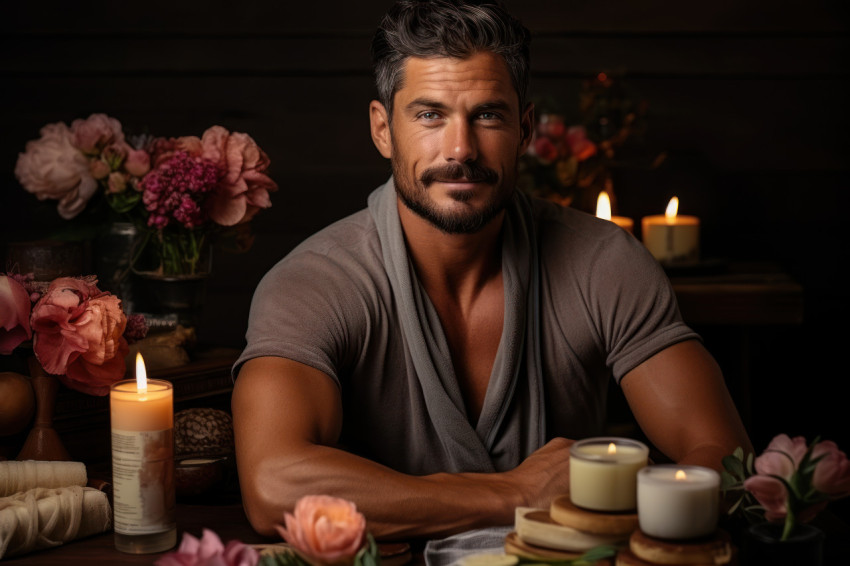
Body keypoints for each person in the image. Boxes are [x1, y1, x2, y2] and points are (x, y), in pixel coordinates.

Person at [231, 0, 751, 540]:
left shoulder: (604, 262)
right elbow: (273, 486)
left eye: (488, 115)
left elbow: (725, 456)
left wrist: (628, 512)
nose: (461, 149)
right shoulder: (313, 283)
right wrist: (517, 495)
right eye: (430, 115)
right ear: (383, 130)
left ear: (524, 129)